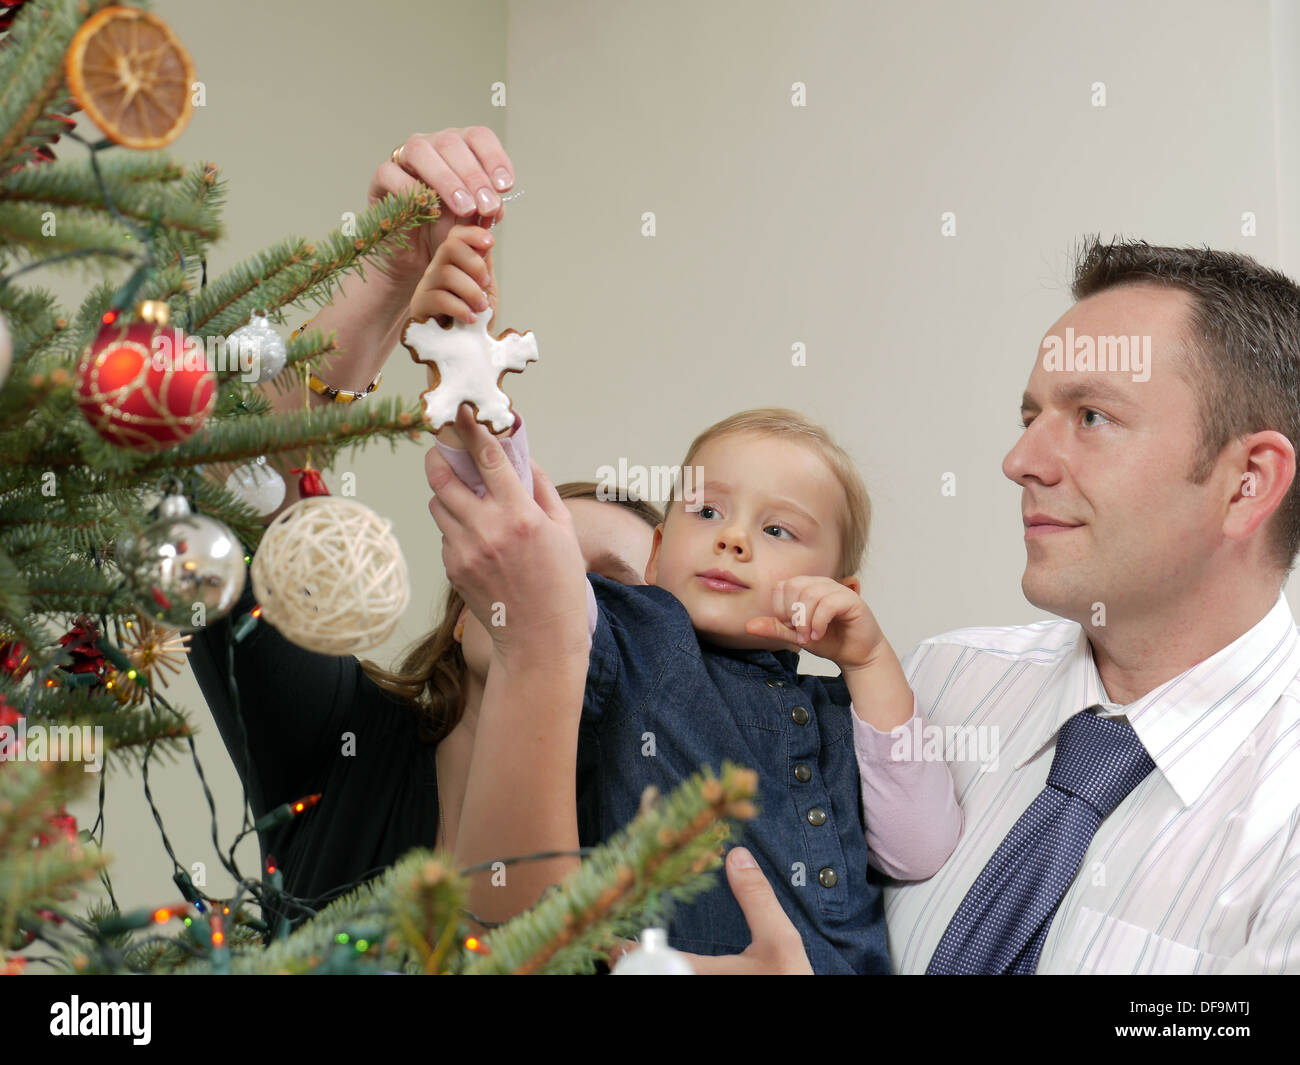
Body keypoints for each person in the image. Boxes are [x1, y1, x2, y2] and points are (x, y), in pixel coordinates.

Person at [667, 238, 1300, 974]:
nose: (1020, 460)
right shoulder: (936, 686)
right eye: (1031, 414)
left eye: (1091, 416)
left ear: (1249, 482)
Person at [422, 224, 964, 974]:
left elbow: (920, 846)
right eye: (705, 511)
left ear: (840, 590)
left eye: (777, 528)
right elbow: (521, 537)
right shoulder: (633, 637)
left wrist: (868, 661)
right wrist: (471, 384)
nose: (732, 539)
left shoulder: (842, 714)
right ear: (656, 551)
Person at [189, 128, 661, 935]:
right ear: (461, 592)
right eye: (517, 539)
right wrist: (384, 278)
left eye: (603, 582)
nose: (537, 572)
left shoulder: (643, 856)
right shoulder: (351, 742)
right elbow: (221, 509)